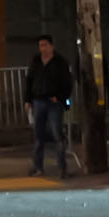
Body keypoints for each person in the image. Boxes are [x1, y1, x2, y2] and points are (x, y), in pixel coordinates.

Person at [25, 35, 73, 178]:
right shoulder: (36, 61)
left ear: (52, 46)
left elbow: (67, 83)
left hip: (53, 103)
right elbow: (29, 81)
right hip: (38, 101)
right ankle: (38, 167)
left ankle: (62, 167)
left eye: (45, 45)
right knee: (39, 136)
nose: (43, 48)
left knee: (57, 134)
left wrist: (59, 97)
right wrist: (27, 100)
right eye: (41, 45)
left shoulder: (60, 62)